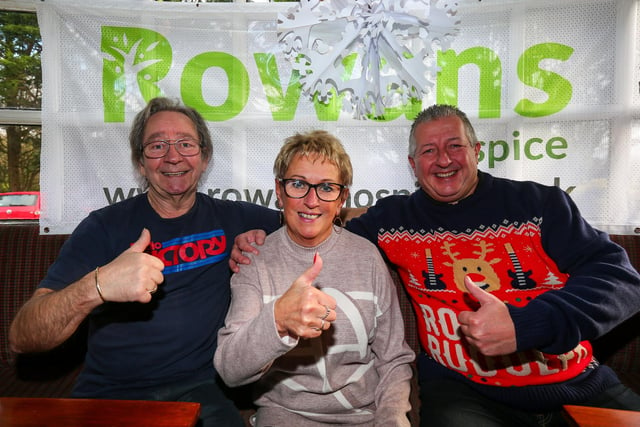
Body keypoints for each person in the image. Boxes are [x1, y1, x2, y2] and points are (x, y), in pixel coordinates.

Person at [231, 105, 640, 426]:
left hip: (576, 384)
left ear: (477, 152)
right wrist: (258, 233)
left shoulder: (541, 205)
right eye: (429, 150)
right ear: (413, 165)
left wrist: (529, 324)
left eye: (455, 146)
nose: (443, 160)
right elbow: (317, 218)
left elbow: (622, 281)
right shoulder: (394, 221)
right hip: (465, 395)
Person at [8, 97, 281, 427]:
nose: (173, 156)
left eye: (185, 143)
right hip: (111, 393)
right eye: (157, 146)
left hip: (203, 390)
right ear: (140, 162)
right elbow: (22, 337)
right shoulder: (103, 227)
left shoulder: (236, 217)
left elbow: (317, 217)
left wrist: (260, 239)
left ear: (205, 157)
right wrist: (97, 285)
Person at [215, 130, 414, 426]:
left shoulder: (367, 257)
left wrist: (391, 420)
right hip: (285, 414)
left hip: (364, 415)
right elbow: (230, 369)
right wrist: (278, 318)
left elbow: (393, 359)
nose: (311, 200)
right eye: (298, 184)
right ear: (279, 192)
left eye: (326, 187)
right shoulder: (255, 259)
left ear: (342, 198)